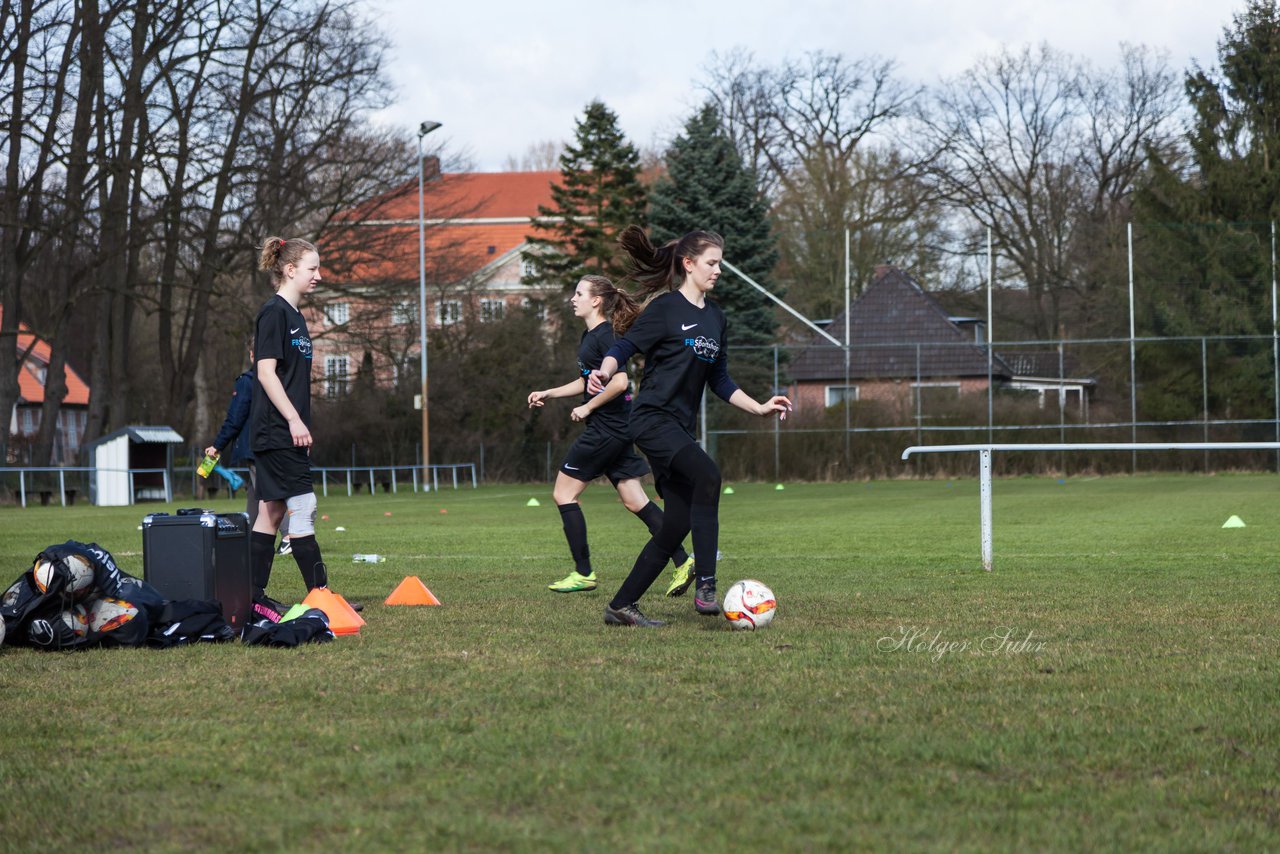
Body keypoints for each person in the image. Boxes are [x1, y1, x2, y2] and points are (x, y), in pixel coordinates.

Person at [588, 226, 791, 627]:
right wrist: (604, 369)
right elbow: (623, 347)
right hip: (651, 420)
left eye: (720, 263)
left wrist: (759, 407)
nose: (718, 270)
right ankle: (708, 586)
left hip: (678, 428)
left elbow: (720, 381)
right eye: (712, 263)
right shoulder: (665, 309)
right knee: (709, 475)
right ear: (689, 264)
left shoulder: (716, 318)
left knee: (676, 524)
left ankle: (621, 605)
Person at [528, 274, 695, 593]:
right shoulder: (589, 337)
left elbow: (619, 382)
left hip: (606, 430)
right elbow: (585, 380)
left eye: (578, 293)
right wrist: (549, 392)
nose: (572, 299)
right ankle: (684, 561)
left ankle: (583, 572)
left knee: (564, 494)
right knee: (636, 502)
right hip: (618, 430)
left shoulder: (606, 337)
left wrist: (588, 408)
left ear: (595, 301)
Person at [247, 236, 357, 617]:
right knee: (303, 506)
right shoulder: (273, 313)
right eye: (312, 269)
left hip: (286, 430)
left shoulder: (296, 316)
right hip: (275, 429)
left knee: (271, 513)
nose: (319, 276)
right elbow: (265, 372)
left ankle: (250, 596)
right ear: (290, 269)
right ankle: (320, 594)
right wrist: (293, 420)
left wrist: (301, 425)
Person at [204, 340, 291, 550]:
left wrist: (217, 446)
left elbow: (235, 418)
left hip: (256, 447)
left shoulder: (247, 381)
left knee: (269, 494)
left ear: (253, 355)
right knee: (255, 492)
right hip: (277, 444)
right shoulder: (282, 380)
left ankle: (290, 536)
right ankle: (251, 537)